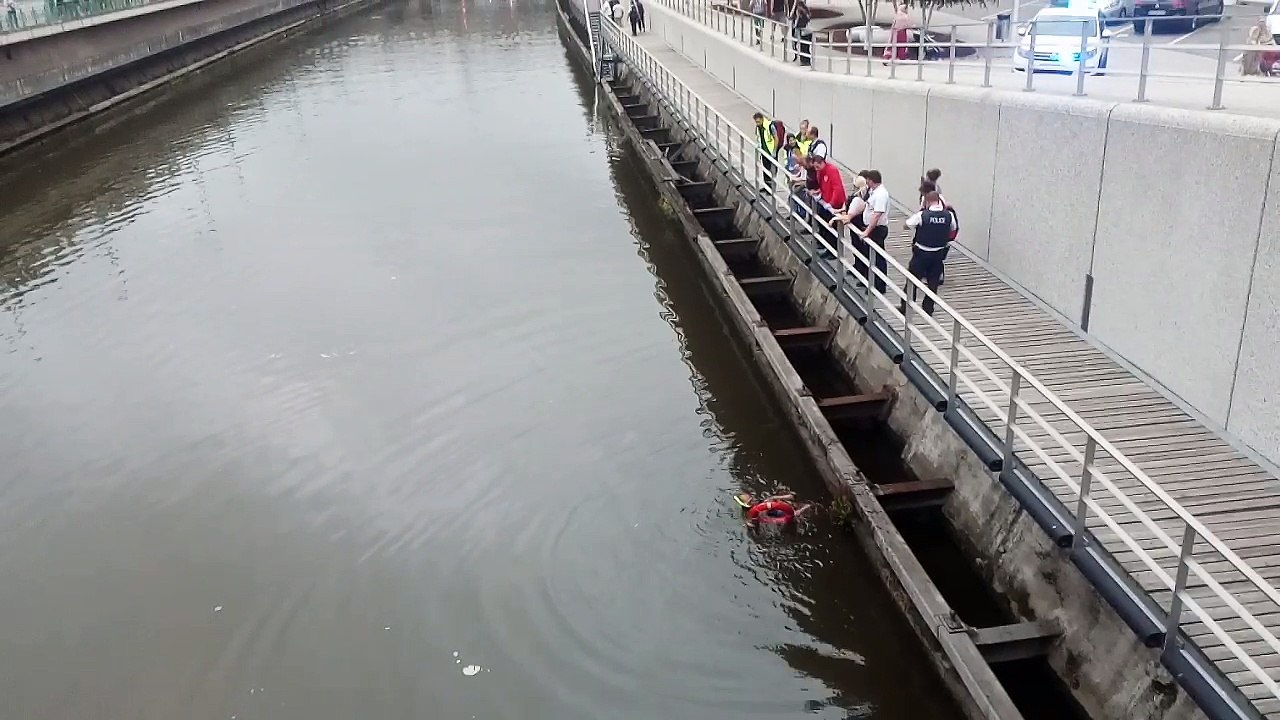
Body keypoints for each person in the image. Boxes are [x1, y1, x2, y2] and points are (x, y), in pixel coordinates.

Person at [902, 190, 956, 316]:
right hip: (938, 254)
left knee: (912, 280)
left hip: (921, 253)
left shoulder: (922, 215)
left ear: (927, 201)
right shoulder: (949, 215)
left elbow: (907, 225)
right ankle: (928, 308)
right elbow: (953, 228)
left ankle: (906, 306)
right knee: (933, 282)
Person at [852, 170, 890, 293]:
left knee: (877, 258)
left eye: (867, 180)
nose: (866, 182)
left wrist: (867, 231)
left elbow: (877, 214)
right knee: (869, 256)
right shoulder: (874, 192)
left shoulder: (881, 195)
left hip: (876, 229)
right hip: (872, 228)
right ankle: (869, 280)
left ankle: (879, 286)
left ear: (871, 180)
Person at [809, 151, 846, 257]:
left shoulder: (832, 170)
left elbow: (837, 189)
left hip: (834, 204)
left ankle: (833, 251)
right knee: (823, 224)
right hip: (826, 201)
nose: (816, 169)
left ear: (822, 163)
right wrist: (819, 193)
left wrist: (832, 203)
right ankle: (825, 244)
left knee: (832, 228)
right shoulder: (820, 172)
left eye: (817, 167)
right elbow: (823, 185)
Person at [752, 112, 782, 190]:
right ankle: (767, 187)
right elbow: (759, 137)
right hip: (764, 152)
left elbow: (776, 139)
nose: (757, 123)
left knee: (772, 170)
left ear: (762, 119)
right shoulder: (758, 127)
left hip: (771, 152)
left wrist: (774, 151)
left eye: (758, 121)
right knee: (765, 170)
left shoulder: (770, 126)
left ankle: (772, 188)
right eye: (756, 122)